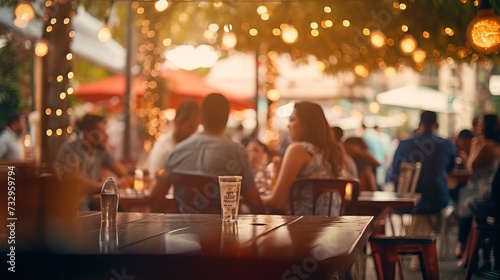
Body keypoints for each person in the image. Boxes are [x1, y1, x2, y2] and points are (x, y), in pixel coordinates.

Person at [149, 93, 264, 214]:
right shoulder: (237, 153)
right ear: (226, 119)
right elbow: (255, 204)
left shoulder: (177, 151)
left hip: (181, 230)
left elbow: (155, 198)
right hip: (222, 230)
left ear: (201, 119)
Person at [388, 110, 456, 270]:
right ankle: (421, 250)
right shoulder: (446, 144)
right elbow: (451, 168)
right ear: (436, 125)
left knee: (419, 207)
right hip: (437, 200)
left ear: (419, 124)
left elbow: (393, 173)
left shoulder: (404, 143)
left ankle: (415, 247)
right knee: (428, 205)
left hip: (406, 201)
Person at [261, 102, 345, 215]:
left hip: (304, 226)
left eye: (292, 120)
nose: (288, 125)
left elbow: (277, 203)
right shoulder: (333, 152)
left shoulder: (298, 150)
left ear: (307, 124)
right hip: (334, 225)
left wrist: (248, 199)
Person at [53, 114, 128, 210]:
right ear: (89, 134)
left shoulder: (101, 151)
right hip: (70, 205)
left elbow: (123, 172)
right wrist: (105, 185)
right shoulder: (71, 149)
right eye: (102, 132)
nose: (106, 136)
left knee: (119, 211)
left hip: (90, 201)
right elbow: (77, 183)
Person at [456, 114, 500, 269]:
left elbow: (471, 165)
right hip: (489, 192)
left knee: (466, 204)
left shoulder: (487, 145)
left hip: (485, 193)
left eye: (482, 123)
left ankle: (467, 252)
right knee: (465, 200)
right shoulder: (493, 144)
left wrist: (474, 144)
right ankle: (469, 253)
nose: (479, 126)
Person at [146, 100, 201, 177]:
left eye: (196, 127)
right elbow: (154, 178)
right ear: (177, 123)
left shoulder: (196, 146)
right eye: (190, 127)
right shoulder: (163, 149)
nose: (194, 132)